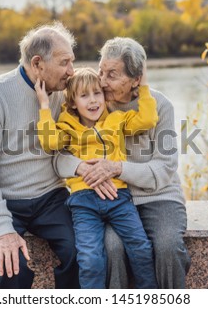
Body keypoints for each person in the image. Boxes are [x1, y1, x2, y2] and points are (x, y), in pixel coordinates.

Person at [54, 37, 191, 289]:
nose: (103, 82)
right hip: (110, 198)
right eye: (101, 71)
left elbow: (165, 169)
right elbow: (59, 154)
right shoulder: (92, 103)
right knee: (112, 248)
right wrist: (80, 167)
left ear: (136, 79)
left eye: (113, 75)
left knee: (168, 246)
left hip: (157, 196)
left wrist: (116, 168)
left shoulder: (160, 106)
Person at [0, 22, 80, 289]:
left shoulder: (65, 94)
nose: (71, 71)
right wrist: (3, 229)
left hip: (50, 198)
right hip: (2, 198)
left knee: (84, 252)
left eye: (72, 62)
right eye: (64, 63)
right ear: (38, 64)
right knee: (11, 269)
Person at [35, 67, 159, 288]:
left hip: (118, 197)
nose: (93, 101)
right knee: (91, 259)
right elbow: (49, 142)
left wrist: (144, 87)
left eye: (97, 93)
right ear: (73, 102)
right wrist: (44, 106)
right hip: (83, 203)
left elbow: (148, 120)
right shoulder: (67, 127)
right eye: (84, 96)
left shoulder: (117, 120)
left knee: (140, 248)